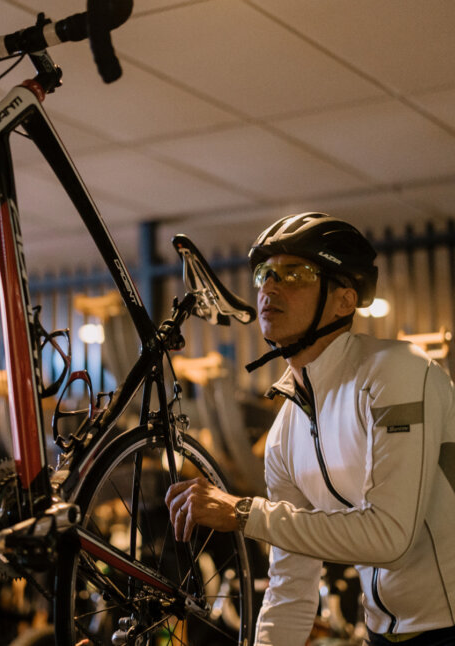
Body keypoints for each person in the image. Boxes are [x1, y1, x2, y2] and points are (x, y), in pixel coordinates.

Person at [165, 212, 455, 646]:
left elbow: (391, 536)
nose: (269, 287)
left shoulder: (399, 373)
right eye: (264, 273)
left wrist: (243, 512)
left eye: (295, 273)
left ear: (343, 300)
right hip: (382, 631)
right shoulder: (286, 430)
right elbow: (291, 586)